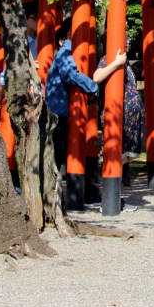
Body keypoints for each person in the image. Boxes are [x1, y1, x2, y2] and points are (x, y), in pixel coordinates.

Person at [45, 18, 101, 204]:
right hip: (59, 115)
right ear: (69, 35)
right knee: (59, 156)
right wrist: (92, 86)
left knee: (64, 155)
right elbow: (70, 75)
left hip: (63, 114)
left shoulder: (68, 54)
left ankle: (82, 193)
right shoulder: (65, 54)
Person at [93, 34, 144, 188]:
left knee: (122, 158)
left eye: (128, 38)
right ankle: (110, 199)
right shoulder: (107, 59)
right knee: (114, 156)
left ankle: (117, 197)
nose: (128, 41)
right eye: (124, 38)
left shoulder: (126, 62)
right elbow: (97, 77)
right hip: (117, 116)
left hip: (129, 119)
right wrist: (116, 63)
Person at [0, 3, 39, 106]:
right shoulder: (20, 43)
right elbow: (7, 73)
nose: (38, 21)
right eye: (35, 18)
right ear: (25, 19)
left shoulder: (43, 40)